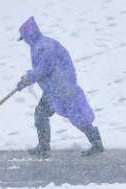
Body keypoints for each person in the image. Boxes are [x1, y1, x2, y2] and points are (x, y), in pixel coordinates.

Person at [15, 16, 104, 157]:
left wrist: (26, 79)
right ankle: (44, 146)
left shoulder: (45, 46)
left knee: (76, 116)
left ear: (30, 34)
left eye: (25, 37)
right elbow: (41, 69)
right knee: (42, 113)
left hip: (62, 89)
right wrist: (26, 79)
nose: (25, 40)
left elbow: (44, 68)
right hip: (53, 89)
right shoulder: (39, 45)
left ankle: (96, 144)